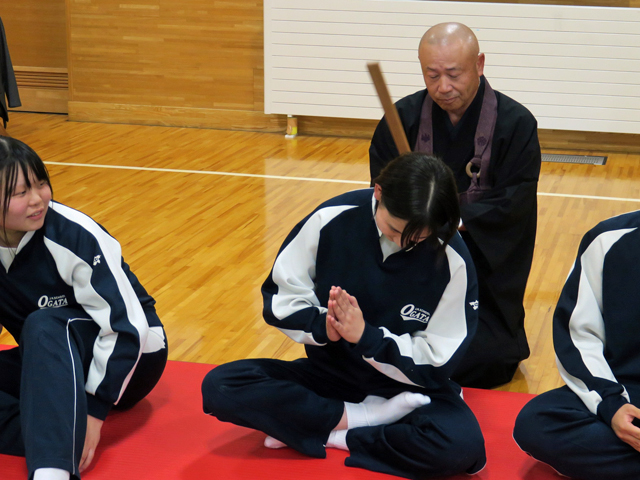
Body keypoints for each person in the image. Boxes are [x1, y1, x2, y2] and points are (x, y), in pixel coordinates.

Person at [202, 153, 486, 479]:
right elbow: (282, 297)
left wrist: (367, 337)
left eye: (417, 238)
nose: (403, 243)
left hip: (405, 385)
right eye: (393, 228)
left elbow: (441, 357)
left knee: (462, 448)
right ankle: (359, 419)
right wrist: (325, 325)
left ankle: (330, 431)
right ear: (377, 192)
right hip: (329, 375)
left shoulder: (453, 257)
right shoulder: (331, 218)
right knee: (221, 386)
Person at [369, 22, 541, 388]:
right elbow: (380, 195)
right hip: (416, 260)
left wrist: (447, 219)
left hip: (483, 267)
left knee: (486, 361)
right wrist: (409, 215)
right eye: (432, 75)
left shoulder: (516, 124)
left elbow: (515, 202)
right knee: (373, 342)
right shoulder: (401, 119)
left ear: (479, 64)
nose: (443, 87)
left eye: (453, 74)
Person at [0, 136, 168, 480]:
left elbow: (128, 329)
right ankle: (56, 433)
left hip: (132, 361)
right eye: (20, 193)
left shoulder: (73, 234)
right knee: (43, 330)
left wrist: (93, 410)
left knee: (45, 324)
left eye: (41, 183)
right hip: (53, 361)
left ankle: (53, 467)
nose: (37, 199)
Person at [514, 211, 640, 480]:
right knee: (536, 424)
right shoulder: (607, 240)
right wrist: (611, 404)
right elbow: (579, 335)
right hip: (625, 391)